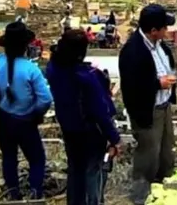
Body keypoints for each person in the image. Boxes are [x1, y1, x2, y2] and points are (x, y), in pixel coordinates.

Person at [0, 21, 53, 200]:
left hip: (2, 120)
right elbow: (46, 99)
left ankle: (13, 194)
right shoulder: (31, 69)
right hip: (26, 121)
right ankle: (35, 193)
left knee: (9, 157)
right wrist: (36, 113)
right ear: (25, 46)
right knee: (36, 159)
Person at [46, 29, 121, 205]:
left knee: (75, 170)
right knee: (92, 171)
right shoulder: (87, 78)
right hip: (90, 132)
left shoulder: (54, 68)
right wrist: (114, 138)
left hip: (69, 127)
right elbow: (101, 111)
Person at [118, 4, 177, 205]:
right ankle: (140, 196)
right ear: (153, 30)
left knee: (166, 152)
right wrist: (158, 84)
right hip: (147, 111)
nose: (167, 31)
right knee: (148, 155)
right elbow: (132, 86)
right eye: (164, 27)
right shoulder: (133, 51)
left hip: (163, 107)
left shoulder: (158, 46)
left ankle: (165, 191)